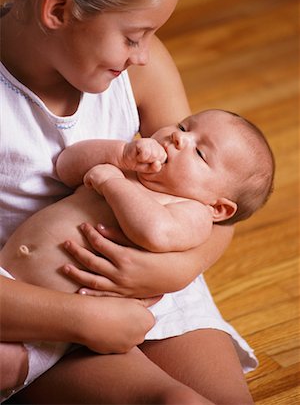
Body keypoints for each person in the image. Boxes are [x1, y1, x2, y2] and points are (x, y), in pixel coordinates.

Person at [0, 0, 258, 404]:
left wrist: (169, 269)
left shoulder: (144, 67)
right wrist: (82, 320)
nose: (143, 53)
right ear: (58, 10)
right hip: (33, 299)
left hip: (149, 285)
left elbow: (215, 204)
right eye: (134, 37)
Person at [1, 108, 274, 402]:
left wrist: (112, 182)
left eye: (201, 154)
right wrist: (120, 154)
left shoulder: (192, 213)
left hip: (61, 330)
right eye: (183, 127)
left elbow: (154, 232)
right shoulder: (129, 168)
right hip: (14, 288)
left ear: (218, 208)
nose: (179, 139)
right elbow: (67, 166)